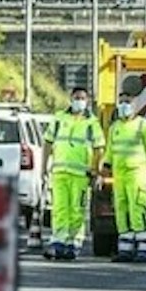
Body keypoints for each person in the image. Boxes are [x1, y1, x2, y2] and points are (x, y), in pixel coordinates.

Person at [42, 87, 105, 260]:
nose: (79, 101)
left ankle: (74, 242)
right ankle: (58, 241)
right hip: (60, 171)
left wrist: (97, 172)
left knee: (77, 210)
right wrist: (43, 168)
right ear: (71, 99)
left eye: (83, 98)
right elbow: (47, 143)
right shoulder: (59, 118)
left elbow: (99, 149)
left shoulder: (92, 123)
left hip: (80, 174)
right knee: (60, 208)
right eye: (76, 97)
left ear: (88, 101)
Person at [101, 92, 146, 262]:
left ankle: (144, 249)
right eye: (121, 102)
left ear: (135, 105)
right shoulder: (115, 127)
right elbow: (109, 152)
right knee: (121, 210)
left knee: (138, 209)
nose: (124, 106)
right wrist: (104, 169)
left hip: (137, 173)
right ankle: (125, 249)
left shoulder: (144, 125)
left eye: (127, 102)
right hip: (119, 175)